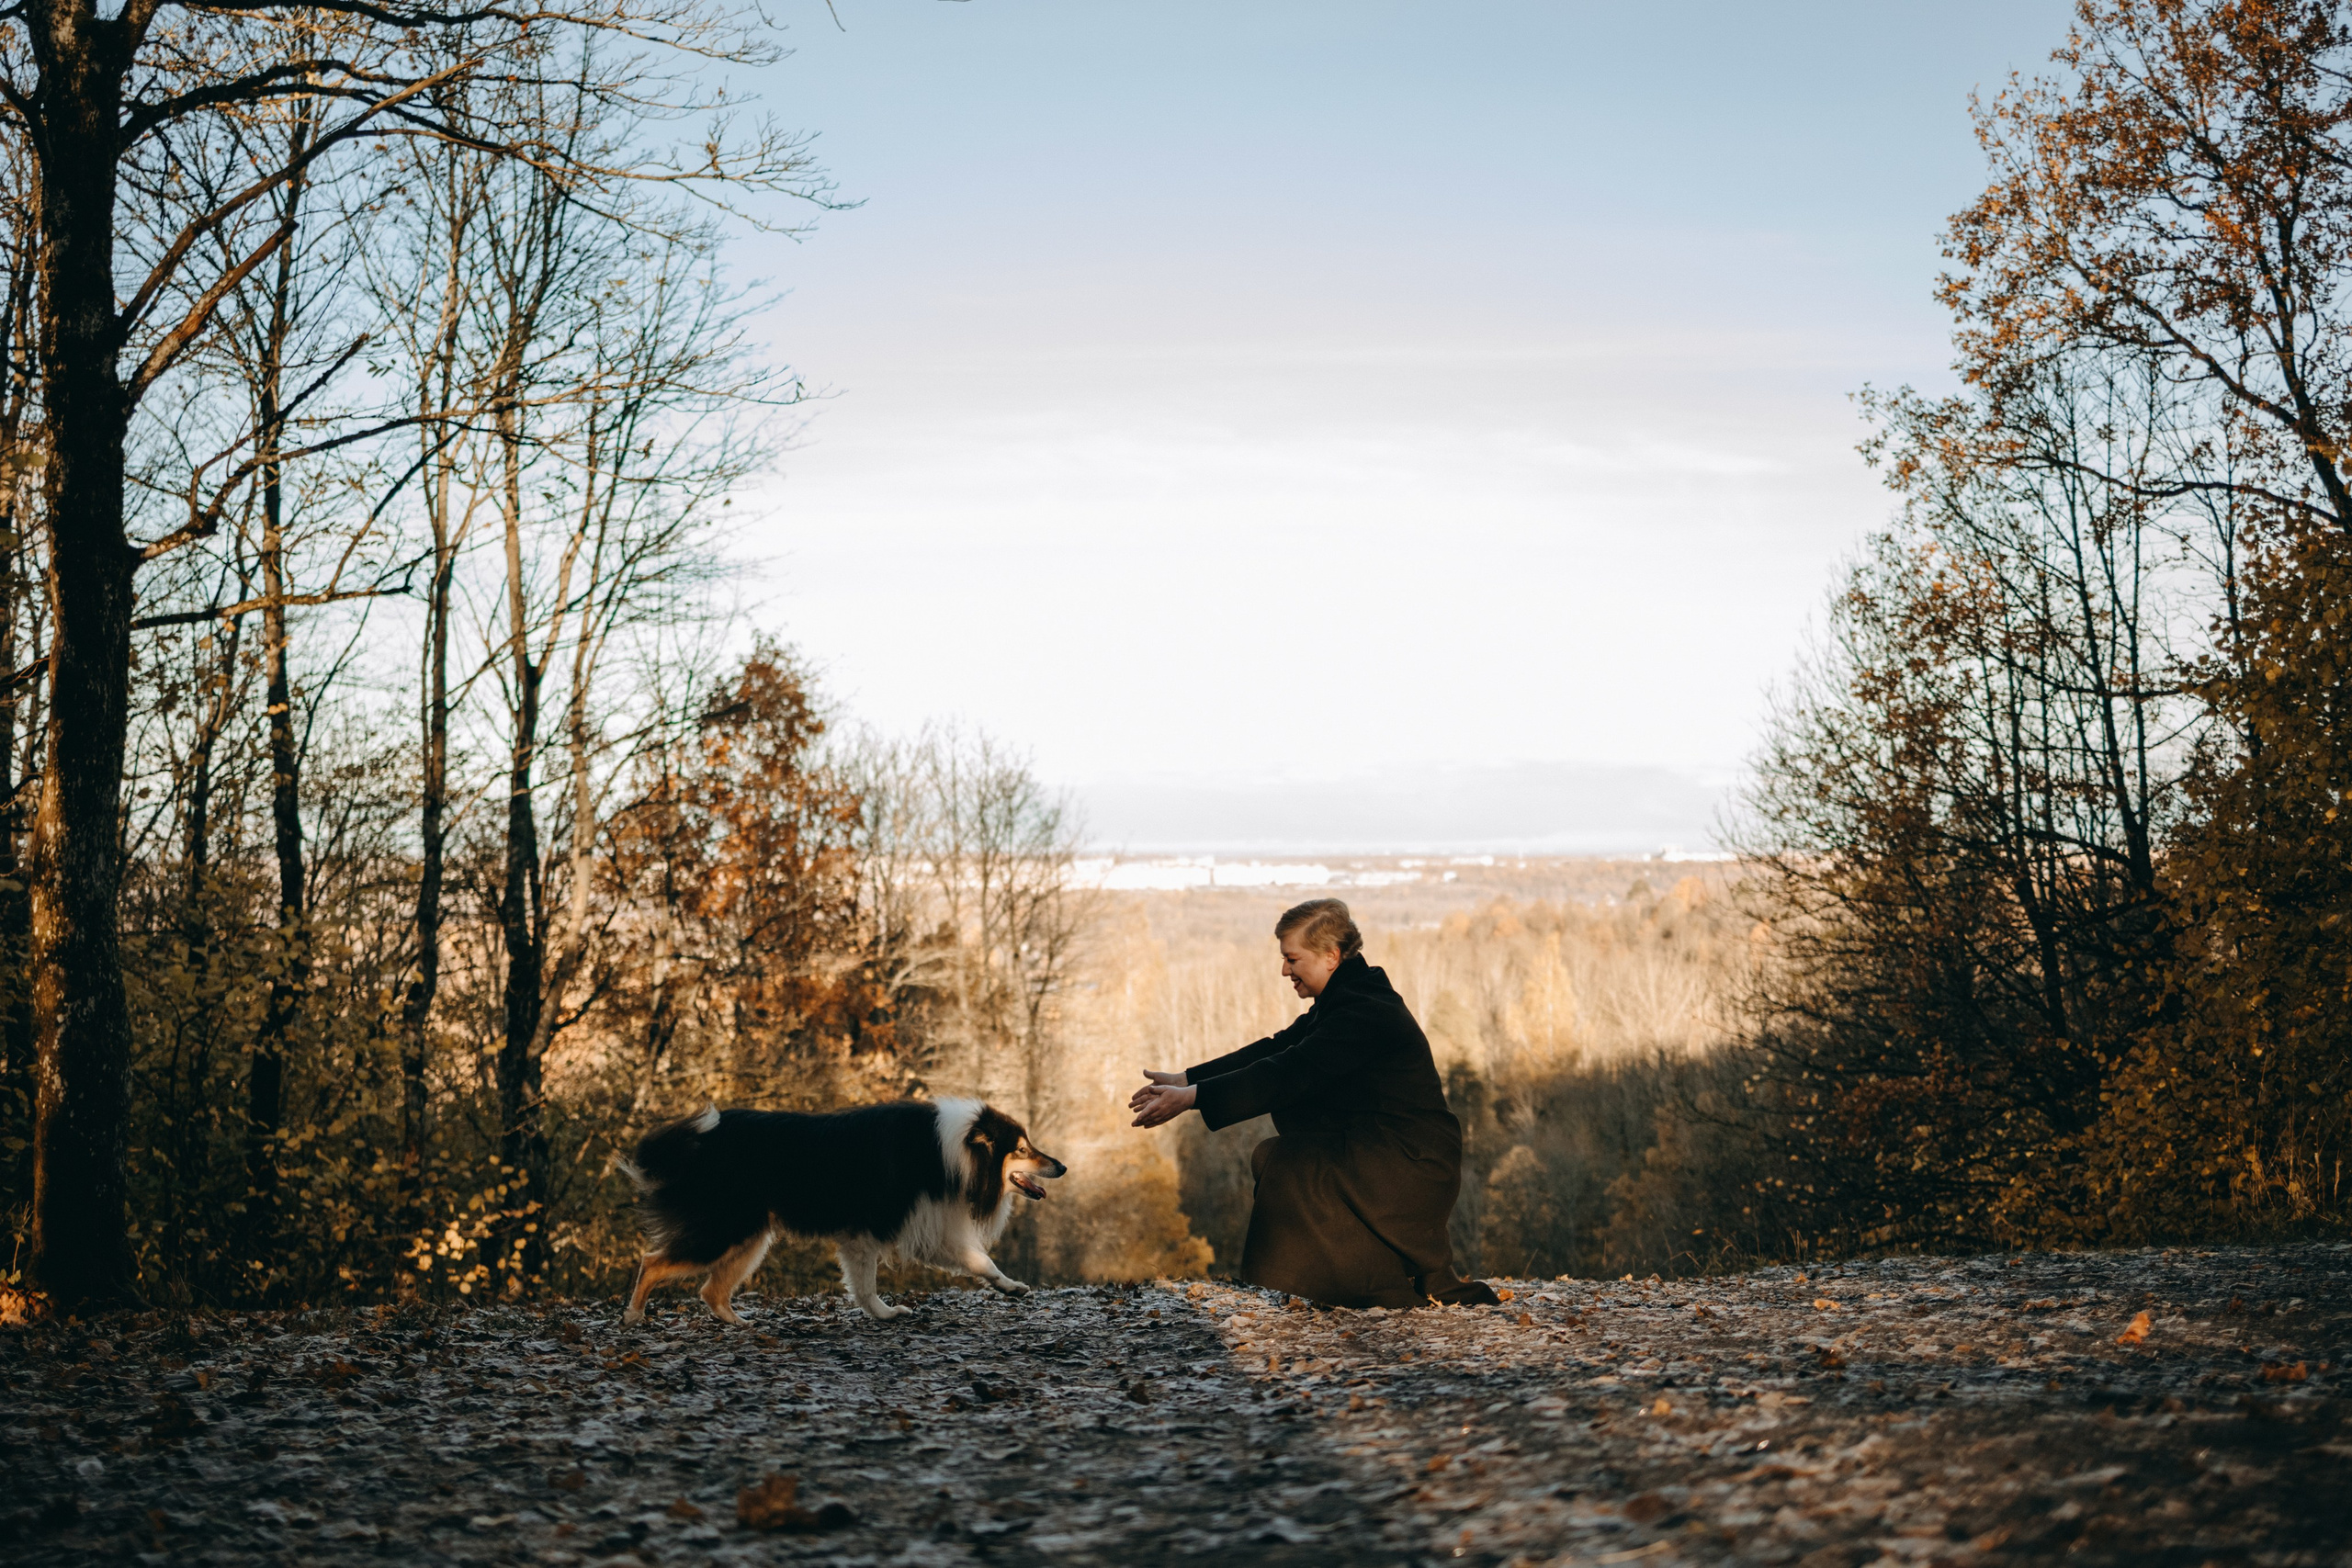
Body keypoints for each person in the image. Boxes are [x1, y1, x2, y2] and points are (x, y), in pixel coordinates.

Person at [1129, 897, 1499, 1309]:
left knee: (1284, 1162)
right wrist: (1186, 1079)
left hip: (1410, 1163)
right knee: (1273, 1158)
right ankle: (1353, 1280)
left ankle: (1360, 1285)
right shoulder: (1345, 998)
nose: (1284, 970)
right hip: (1380, 1151)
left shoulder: (1364, 1010)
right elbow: (1276, 1048)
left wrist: (1192, 1098)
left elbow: (1291, 1071)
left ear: (1330, 956)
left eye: (1292, 958)